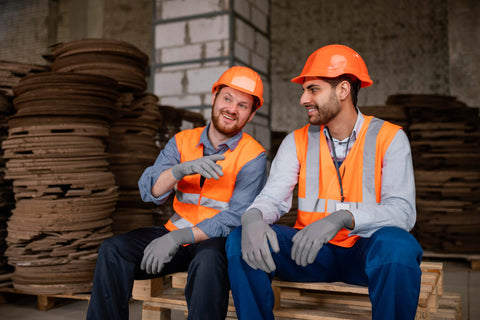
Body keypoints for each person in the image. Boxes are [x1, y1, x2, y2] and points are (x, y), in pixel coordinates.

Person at [226, 44, 423, 320]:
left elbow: (402, 213)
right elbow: (272, 197)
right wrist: (254, 216)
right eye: (304, 90)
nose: (303, 99)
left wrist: (341, 218)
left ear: (342, 90)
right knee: (241, 239)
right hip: (309, 252)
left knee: (399, 246)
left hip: (364, 253)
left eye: (313, 89)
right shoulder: (296, 141)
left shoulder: (389, 138)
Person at [86, 66, 268, 320]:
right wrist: (179, 170)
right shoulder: (182, 141)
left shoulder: (253, 155)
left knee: (207, 264)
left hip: (216, 242)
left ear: (250, 115)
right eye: (227, 98)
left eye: (242, 105)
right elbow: (149, 191)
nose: (232, 109)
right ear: (214, 98)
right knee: (113, 250)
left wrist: (177, 238)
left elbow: (236, 216)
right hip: (175, 233)